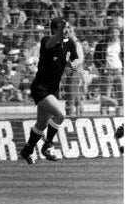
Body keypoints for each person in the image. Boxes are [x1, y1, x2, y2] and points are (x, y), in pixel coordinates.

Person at [20, 17, 81, 165]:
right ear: (54, 30)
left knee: (41, 124)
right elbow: (50, 43)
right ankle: (48, 145)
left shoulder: (70, 43)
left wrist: (73, 64)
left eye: (67, 27)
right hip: (40, 87)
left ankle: (27, 150)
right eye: (63, 28)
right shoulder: (46, 41)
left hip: (53, 89)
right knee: (61, 115)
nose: (67, 30)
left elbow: (76, 58)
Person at [94, 26, 124, 115]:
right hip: (107, 73)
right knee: (105, 97)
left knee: (121, 95)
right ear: (109, 33)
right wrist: (102, 69)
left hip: (119, 72)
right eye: (113, 32)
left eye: (117, 32)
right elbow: (96, 58)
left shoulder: (121, 44)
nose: (115, 34)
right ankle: (104, 116)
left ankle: (120, 116)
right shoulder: (101, 44)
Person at [62, 27, 85, 116]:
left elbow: (79, 60)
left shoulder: (76, 44)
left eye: (70, 31)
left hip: (74, 72)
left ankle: (70, 118)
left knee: (71, 98)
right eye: (66, 30)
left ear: (74, 33)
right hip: (67, 71)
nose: (67, 32)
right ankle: (80, 116)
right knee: (75, 97)